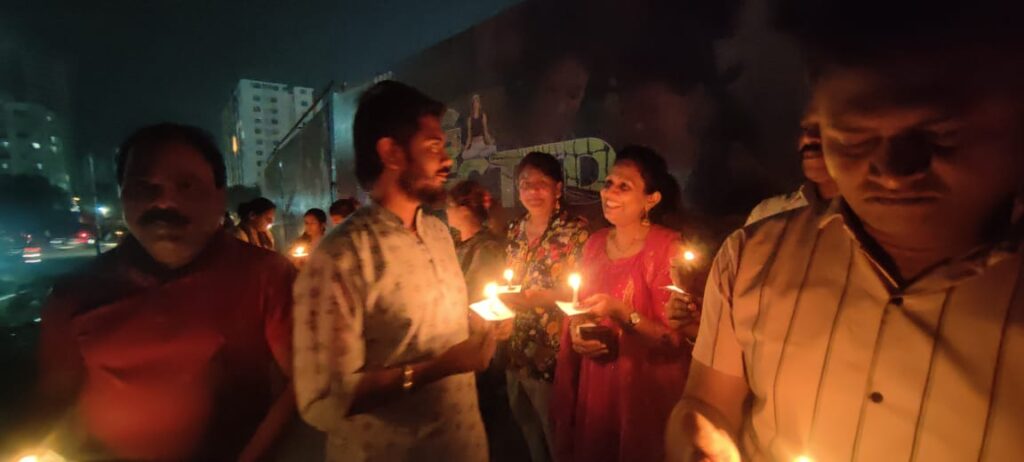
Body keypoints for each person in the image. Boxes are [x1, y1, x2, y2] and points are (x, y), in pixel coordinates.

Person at [667, 2, 1024, 461]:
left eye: (939, 133)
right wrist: (698, 440)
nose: (894, 171)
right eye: (854, 138)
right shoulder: (753, 259)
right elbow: (705, 404)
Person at [31, 123, 296, 461]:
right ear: (123, 195)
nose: (164, 201)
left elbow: (303, 386)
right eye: (143, 187)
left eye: (186, 186)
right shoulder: (75, 292)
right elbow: (56, 399)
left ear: (219, 197)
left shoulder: (266, 276)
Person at [292, 81, 496, 462]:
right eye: (434, 146)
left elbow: (434, 333)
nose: (448, 160)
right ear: (392, 153)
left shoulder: (438, 234)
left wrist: (482, 324)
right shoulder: (342, 256)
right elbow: (322, 398)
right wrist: (438, 368)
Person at [551, 146, 696, 462]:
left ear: (651, 199)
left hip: (645, 391)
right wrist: (577, 331)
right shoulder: (595, 242)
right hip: (598, 383)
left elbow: (674, 339)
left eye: (624, 186)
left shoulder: (666, 247)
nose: (609, 192)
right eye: (608, 183)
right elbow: (581, 304)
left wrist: (620, 312)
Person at [501, 151, 590, 462]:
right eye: (525, 184)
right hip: (516, 346)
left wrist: (543, 297)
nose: (532, 191)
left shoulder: (575, 230)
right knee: (528, 430)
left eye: (541, 184)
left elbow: (582, 286)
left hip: (552, 351)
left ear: (558, 189)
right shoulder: (514, 230)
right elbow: (510, 281)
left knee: (557, 436)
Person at [744, 100, 839, 225]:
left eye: (825, 127)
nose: (808, 139)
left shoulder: (868, 219)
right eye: (806, 128)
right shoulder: (767, 215)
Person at [462, 94, 497, 160]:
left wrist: (490, 142)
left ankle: (480, 155)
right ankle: (479, 156)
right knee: (464, 155)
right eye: (474, 102)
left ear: (479, 104)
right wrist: (466, 148)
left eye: (477, 102)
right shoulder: (469, 119)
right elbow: (469, 137)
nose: (475, 104)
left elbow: (485, 132)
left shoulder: (483, 116)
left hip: (482, 144)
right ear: (472, 105)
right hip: (474, 146)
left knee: (493, 148)